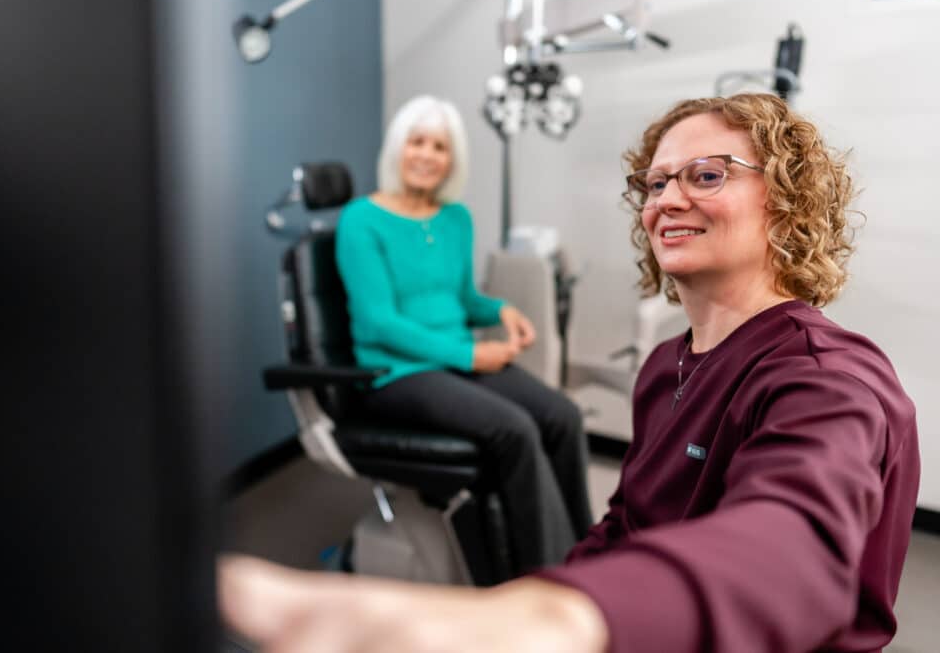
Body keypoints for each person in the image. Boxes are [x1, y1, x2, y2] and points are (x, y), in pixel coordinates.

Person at [219, 93, 920, 653]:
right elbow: (629, 523)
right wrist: (548, 598)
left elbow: (791, 551)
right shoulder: (664, 369)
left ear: (787, 203)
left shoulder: (830, 379)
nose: (667, 198)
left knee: (551, 413)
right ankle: (530, 570)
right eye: (655, 182)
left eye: (706, 174)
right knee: (513, 431)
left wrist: (562, 614)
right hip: (396, 368)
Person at [334, 95, 593, 573]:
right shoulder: (360, 220)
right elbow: (378, 322)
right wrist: (470, 355)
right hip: (396, 372)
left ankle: (587, 556)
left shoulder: (455, 218)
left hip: (455, 360)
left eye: (440, 147)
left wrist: (504, 309)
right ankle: (548, 578)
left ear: (452, 159)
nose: (427, 155)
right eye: (418, 142)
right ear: (398, 148)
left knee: (562, 415)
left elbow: (462, 299)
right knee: (513, 430)